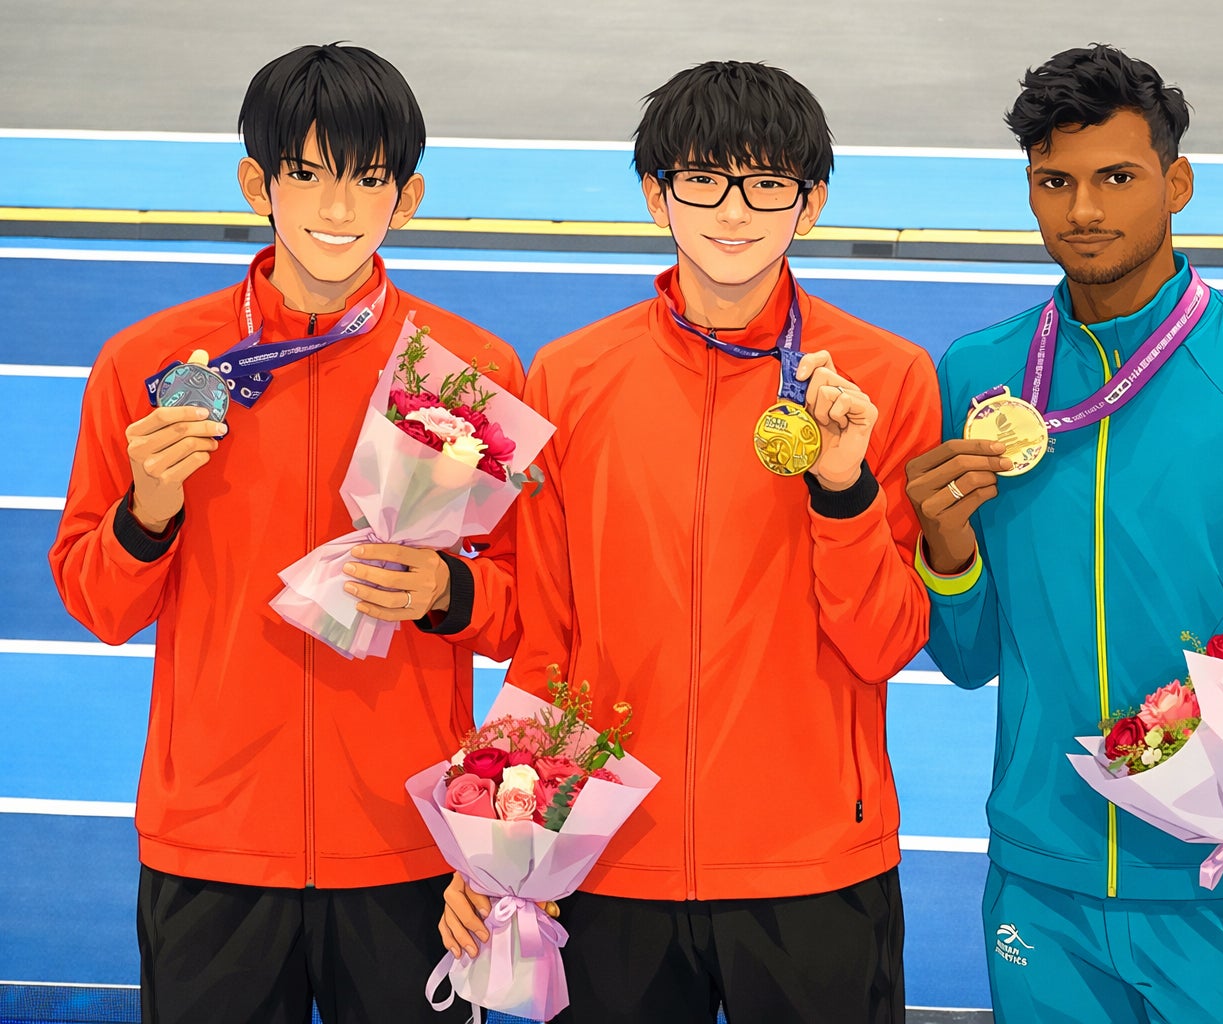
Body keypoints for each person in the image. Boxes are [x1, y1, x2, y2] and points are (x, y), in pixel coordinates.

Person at [904, 44, 1223, 1023]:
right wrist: (946, 550)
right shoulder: (979, 379)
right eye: (1054, 182)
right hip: (1043, 886)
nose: (1084, 210)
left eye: (1116, 178)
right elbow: (971, 660)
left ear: (1176, 183)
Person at [439, 60, 939, 1024]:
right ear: (655, 194)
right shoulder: (570, 378)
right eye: (704, 179)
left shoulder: (884, 380)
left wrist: (842, 489)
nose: (734, 211)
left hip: (813, 871)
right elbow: (548, 643)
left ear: (812, 203)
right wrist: (499, 837)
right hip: (605, 862)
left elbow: (885, 642)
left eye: (768, 183)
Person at [49, 43, 523, 1023]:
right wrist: (149, 509)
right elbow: (99, 606)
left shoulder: (465, 371)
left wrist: (451, 592)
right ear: (255, 183)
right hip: (212, 847)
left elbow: (533, 613)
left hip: (411, 850)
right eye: (306, 174)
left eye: (369, 178)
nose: (338, 206)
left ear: (409, 198)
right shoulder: (152, 365)